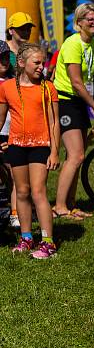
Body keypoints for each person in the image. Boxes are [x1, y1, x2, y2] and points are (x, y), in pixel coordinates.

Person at [0, 43, 60, 259]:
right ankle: (26, 238)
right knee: (22, 192)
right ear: (22, 63)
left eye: (43, 63)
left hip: (40, 146)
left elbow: (54, 122)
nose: (41, 67)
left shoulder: (47, 87)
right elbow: (1, 118)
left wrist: (54, 151)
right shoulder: (6, 87)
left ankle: (48, 242)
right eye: (37, 62)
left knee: (38, 192)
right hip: (16, 145)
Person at [52, 2, 94, 221]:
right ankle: (59, 206)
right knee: (76, 155)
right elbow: (76, 81)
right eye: (90, 19)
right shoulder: (72, 43)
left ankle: (71, 204)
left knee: (76, 156)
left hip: (79, 102)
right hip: (66, 101)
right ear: (79, 23)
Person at [0, 41, 17, 228]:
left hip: (11, 134)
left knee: (13, 175)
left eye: (5, 56)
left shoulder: (15, 82)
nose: (3, 61)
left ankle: (14, 214)